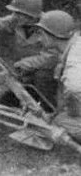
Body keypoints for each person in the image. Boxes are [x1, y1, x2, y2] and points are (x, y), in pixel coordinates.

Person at [34, 10, 81, 140]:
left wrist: (72, 113)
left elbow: (73, 89)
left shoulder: (73, 61)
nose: (39, 39)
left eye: (41, 34)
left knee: (60, 121)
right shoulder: (76, 44)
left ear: (51, 35)